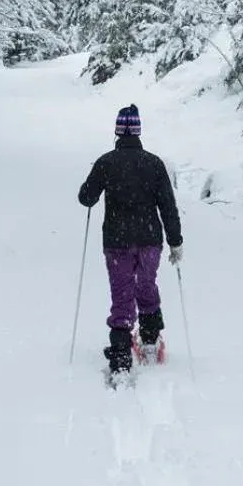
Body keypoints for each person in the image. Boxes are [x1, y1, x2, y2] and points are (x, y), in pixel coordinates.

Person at [77, 104, 182, 376]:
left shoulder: (106, 162)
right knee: (146, 285)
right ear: (138, 131)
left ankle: (122, 352)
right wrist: (175, 241)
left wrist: (95, 181)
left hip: (117, 241)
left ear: (116, 131)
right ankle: (149, 338)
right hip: (149, 240)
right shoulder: (154, 163)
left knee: (122, 291)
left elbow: (86, 198)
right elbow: (168, 206)